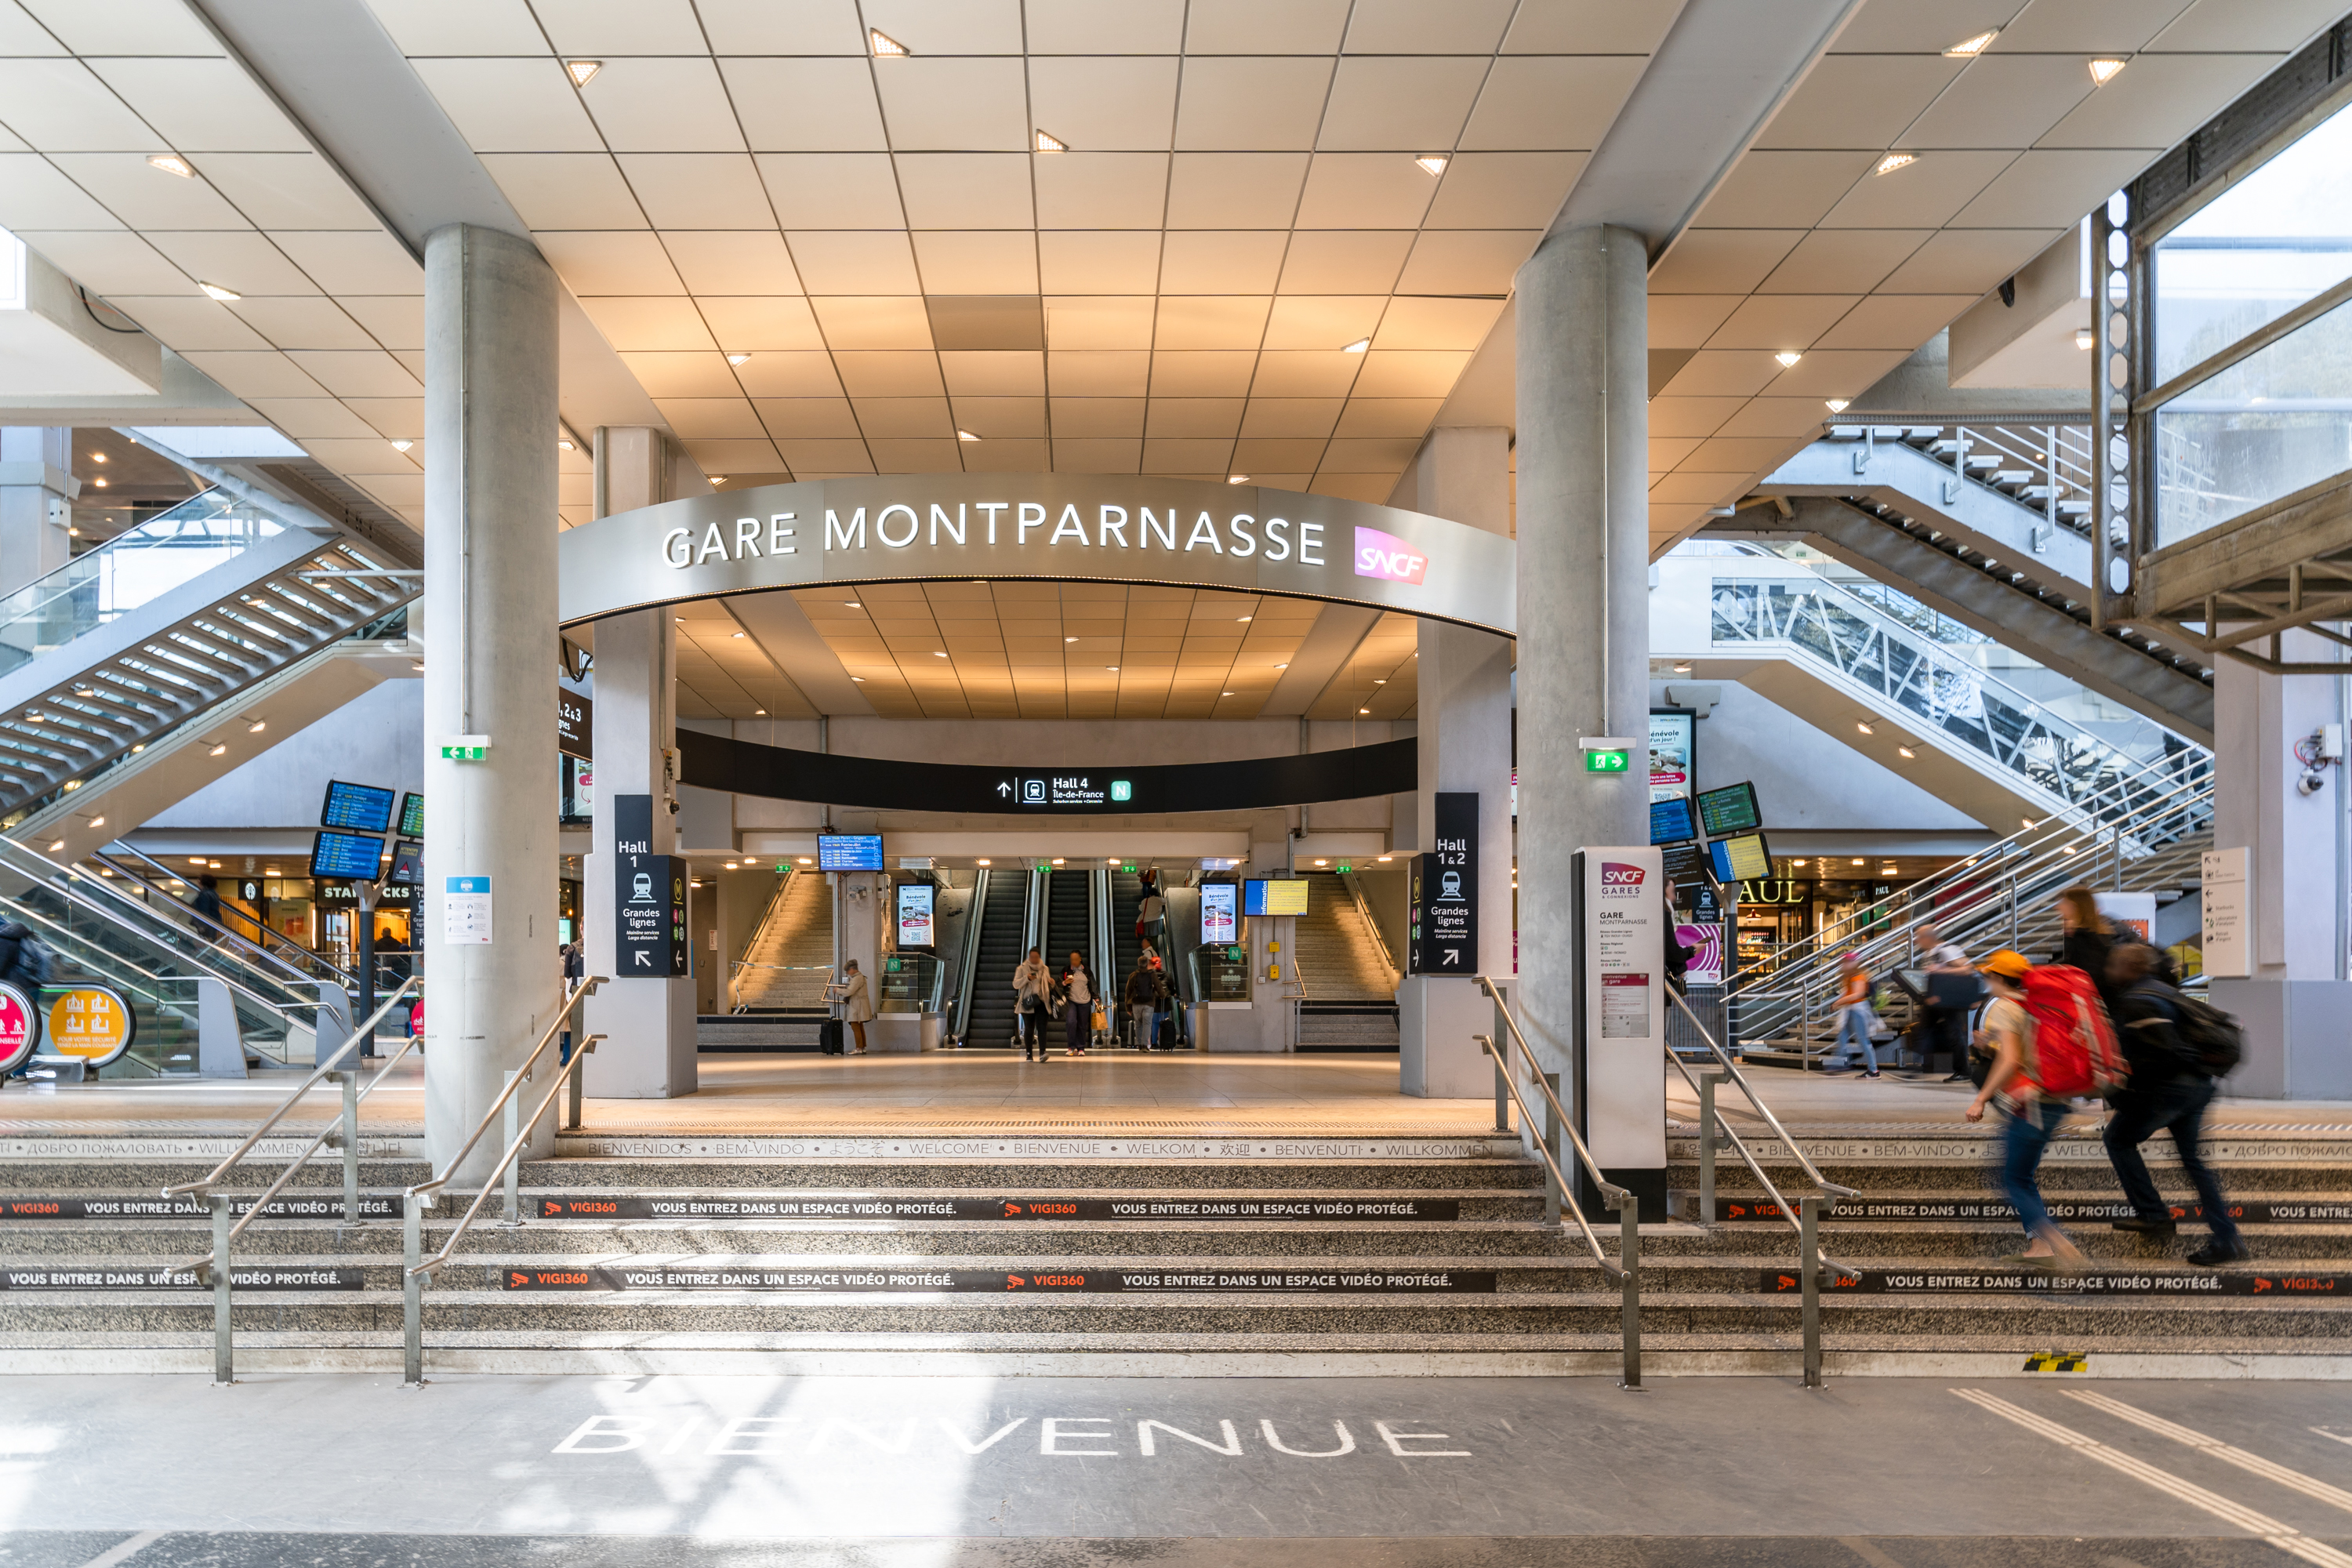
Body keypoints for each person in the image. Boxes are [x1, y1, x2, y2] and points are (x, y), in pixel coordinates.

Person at [2105, 942, 2248, 1265]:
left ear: (2129, 968)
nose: (2110, 971)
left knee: (2117, 1138)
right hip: (2197, 1086)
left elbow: (2161, 1055)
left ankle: (2153, 1214)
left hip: (2172, 1090)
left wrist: (2118, 1090)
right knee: (2193, 1161)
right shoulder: (2166, 992)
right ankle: (2226, 1239)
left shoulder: (2139, 1001)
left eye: (2114, 965)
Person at [1965, 949, 2085, 1272]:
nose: (1985, 979)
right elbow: (2026, 1051)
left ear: (1998, 978)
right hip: (2054, 1101)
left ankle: (2057, 1241)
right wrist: (1988, 1046)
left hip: (2029, 1104)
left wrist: (1981, 1098)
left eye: (1988, 974)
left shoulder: (2003, 1008)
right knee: (2022, 1175)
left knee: (2011, 1178)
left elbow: (2011, 1060)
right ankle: (2039, 1246)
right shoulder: (2033, 1004)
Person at [1903, 922, 1974, 1080]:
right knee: (1922, 1030)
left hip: (1948, 1000)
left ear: (1930, 937)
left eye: (1919, 937)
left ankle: (1964, 1071)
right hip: (1934, 1000)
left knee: (1954, 1032)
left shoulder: (1947, 950)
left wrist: (1943, 969)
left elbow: (1968, 969)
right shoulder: (1927, 954)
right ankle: (1916, 1065)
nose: (1917, 941)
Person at [2053, 886, 2121, 1017]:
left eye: (2062, 903)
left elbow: (2086, 974)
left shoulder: (2087, 938)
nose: (2057, 908)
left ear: (2073, 907)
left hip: (2094, 1007)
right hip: (2095, 1003)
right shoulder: (2094, 934)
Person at [1822, 952, 1881, 1078]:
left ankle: (1874, 1070)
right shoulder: (1849, 977)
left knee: (1863, 1040)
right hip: (1850, 1010)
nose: (1843, 965)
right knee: (1842, 1036)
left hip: (1858, 1011)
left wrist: (1838, 1002)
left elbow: (1857, 995)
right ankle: (1840, 1064)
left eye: (1846, 963)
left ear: (1854, 963)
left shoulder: (1858, 977)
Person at [1011, 946, 1051, 1061]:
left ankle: (1043, 1053)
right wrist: (1027, 978)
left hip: (1042, 1001)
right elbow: (1015, 984)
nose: (1034, 959)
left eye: (1036, 957)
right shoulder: (1022, 968)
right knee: (1029, 1028)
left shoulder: (1045, 969)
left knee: (1042, 1027)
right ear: (1029, 957)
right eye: (1032, 957)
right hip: (1028, 1001)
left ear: (1040, 957)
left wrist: (1051, 983)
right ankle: (1029, 1054)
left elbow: (1047, 984)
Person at [1124, 953, 1164, 1051]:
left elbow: (1128, 991)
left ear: (1138, 964)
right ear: (1147, 964)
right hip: (1149, 1003)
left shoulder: (1133, 975)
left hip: (1136, 1003)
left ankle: (1139, 1045)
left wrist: (1127, 1007)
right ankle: (1145, 1045)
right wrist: (1162, 995)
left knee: (1138, 1024)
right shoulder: (1152, 975)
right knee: (1147, 1024)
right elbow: (1159, 986)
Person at [1059, 949, 1092, 1058]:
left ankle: (1081, 1048)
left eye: (1075, 960)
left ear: (1080, 959)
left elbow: (1093, 985)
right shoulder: (1066, 970)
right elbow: (1058, 983)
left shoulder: (1087, 970)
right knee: (1071, 1022)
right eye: (1071, 960)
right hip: (1071, 1000)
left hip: (1085, 1000)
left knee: (1082, 1025)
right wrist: (1065, 983)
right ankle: (1071, 1047)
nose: (1073, 962)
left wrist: (1096, 999)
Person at [839, 957, 873, 1055]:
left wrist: (838, 991)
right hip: (859, 1006)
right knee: (860, 1026)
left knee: (855, 1026)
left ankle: (858, 1048)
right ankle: (862, 1047)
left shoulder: (857, 978)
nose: (848, 973)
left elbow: (850, 991)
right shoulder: (860, 977)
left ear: (853, 969)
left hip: (856, 1007)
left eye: (848, 971)